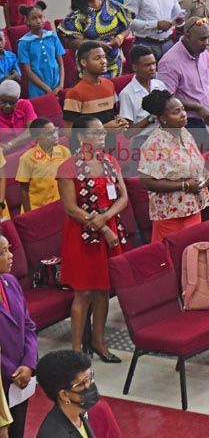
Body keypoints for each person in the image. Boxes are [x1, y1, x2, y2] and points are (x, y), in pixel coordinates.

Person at [57, 116, 128, 362]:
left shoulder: (110, 161)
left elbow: (123, 197)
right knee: (84, 292)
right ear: (81, 137)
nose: (101, 137)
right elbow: (70, 208)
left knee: (103, 291)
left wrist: (106, 219)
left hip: (109, 227)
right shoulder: (68, 167)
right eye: (96, 133)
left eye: (102, 133)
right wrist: (102, 227)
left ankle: (99, 342)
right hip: (82, 233)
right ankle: (76, 350)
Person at [138, 90, 209, 242]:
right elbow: (146, 182)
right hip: (171, 215)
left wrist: (204, 174)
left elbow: (193, 161)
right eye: (176, 112)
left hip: (192, 207)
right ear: (163, 118)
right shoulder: (154, 144)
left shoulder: (184, 132)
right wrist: (184, 185)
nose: (183, 114)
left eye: (183, 109)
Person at [157, 17, 209, 151]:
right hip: (188, 122)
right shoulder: (169, 62)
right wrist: (198, 108)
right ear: (187, 36)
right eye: (202, 39)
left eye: (207, 39)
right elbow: (167, 98)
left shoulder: (202, 52)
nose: (206, 43)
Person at [58, 0, 133, 79]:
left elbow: (127, 24)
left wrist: (119, 38)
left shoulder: (112, 5)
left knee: (114, 87)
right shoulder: (78, 16)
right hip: (90, 63)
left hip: (114, 61)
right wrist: (94, 44)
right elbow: (69, 42)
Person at [0, 234, 37, 438]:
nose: (10, 255)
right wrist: (13, 372)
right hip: (5, 379)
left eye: (9, 249)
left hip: (20, 379)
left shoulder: (10, 282)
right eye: (3, 252)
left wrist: (29, 363)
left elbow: (28, 325)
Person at [62, 43, 128, 141]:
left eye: (104, 57)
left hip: (110, 144)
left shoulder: (109, 85)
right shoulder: (75, 93)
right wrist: (104, 128)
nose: (103, 61)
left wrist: (119, 122)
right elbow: (69, 131)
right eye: (97, 58)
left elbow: (112, 115)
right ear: (84, 62)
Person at [34, 350, 98, 438]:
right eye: (83, 383)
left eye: (90, 377)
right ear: (64, 395)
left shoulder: (80, 412)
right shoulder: (53, 434)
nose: (89, 384)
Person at [118, 45, 167, 156]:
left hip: (163, 138)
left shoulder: (159, 85)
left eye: (153, 63)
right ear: (135, 67)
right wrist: (150, 118)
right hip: (142, 141)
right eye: (147, 65)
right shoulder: (127, 93)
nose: (152, 68)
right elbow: (128, 133)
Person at [16, 118, 70, 213]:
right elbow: (23, 189)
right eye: (49, 134)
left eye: (55, 131)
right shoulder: (27, 158)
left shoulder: (64, 151)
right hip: (38, 208)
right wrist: (29, 214)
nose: (55, 136)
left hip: (61, 204)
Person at [16, 1, 65, 99]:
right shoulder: (23, 43)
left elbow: (60, 63)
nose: (38, 21)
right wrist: (47, 89)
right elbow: (28, 71)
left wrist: (61, 85)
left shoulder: (52, 37)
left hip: (56, 85)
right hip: (38, 89)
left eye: (40, 17)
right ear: (28, 21)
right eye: (34, 18)